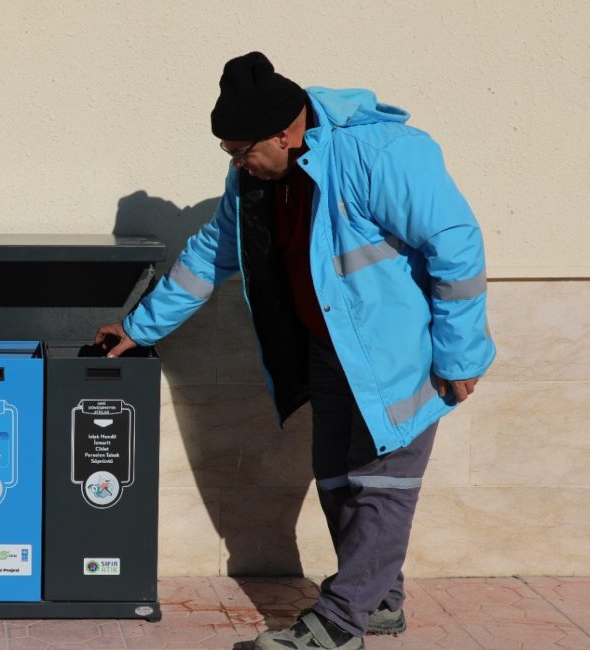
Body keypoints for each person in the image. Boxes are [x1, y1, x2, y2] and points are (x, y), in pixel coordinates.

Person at [95, 52, 495, 650]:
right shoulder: (256, 180)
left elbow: (456, 248)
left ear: (287, 132)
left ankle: (337, 626)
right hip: (328, 351)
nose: (236, 164)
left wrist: (461, 356)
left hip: (399, 356)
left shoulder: (381, 154)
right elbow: (211, 255)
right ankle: (380, 601)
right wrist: (141, 328)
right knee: (336, 477)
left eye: (241, 151)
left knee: (382, 486)